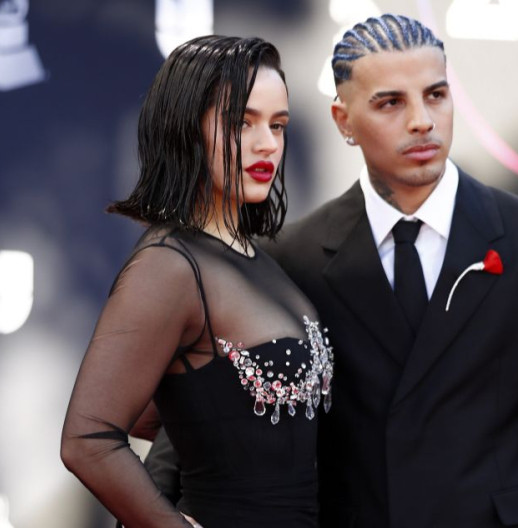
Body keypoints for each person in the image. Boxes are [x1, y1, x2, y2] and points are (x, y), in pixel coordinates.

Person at [148, 14, 518, 527]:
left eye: (436, 95)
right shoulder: (293, 257)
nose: (422, 120)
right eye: (391, 102)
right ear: (342, 120)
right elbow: (203, 417)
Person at [60, 35, 333, 528]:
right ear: (186, 129)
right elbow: (87, 438)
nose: (267, 143)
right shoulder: (169, 266)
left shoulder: (255, 257)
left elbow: (184, 405)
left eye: (278, 125)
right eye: (242, 122)